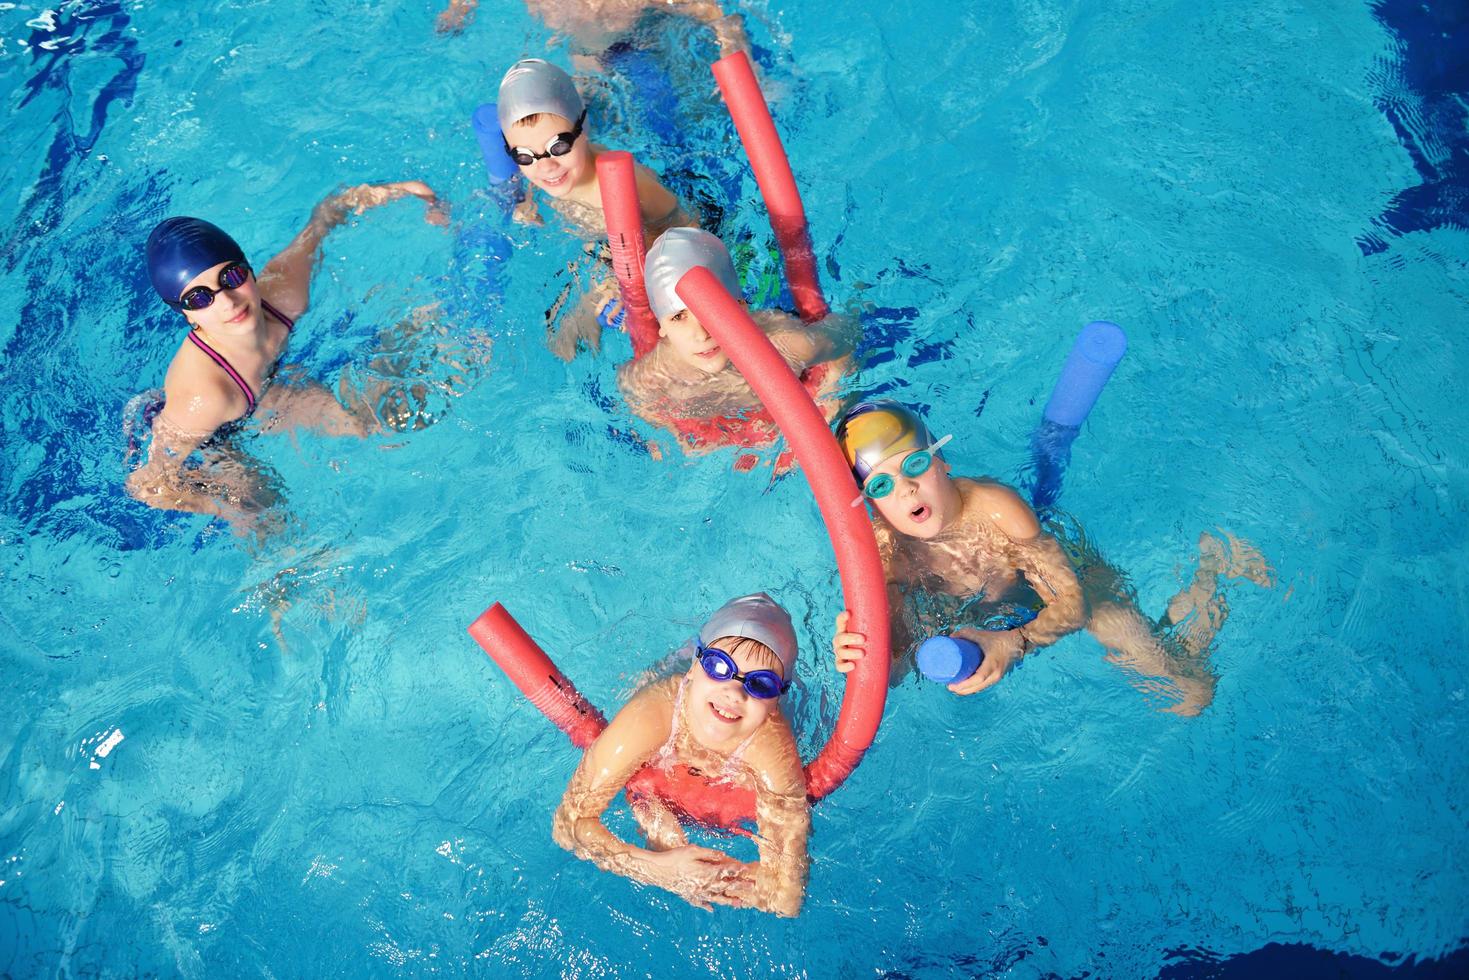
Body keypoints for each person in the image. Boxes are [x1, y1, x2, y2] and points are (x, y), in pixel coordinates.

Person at [828, 400, 1274, 716]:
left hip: (1057, 583)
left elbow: (1072, 604)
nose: (905, 489)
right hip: (979, 608)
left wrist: (1011, 642)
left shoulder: (998, 509)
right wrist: (859, 648)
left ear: (941, 460)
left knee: (1190, 696)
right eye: (881, 486)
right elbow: (894, 666)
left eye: (913, 465)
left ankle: (1211, 577)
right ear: (870, 504)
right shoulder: (884, 548)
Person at [126, 181, 444, 529]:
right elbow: (148, 486)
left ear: (248, 268)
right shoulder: (205, 397)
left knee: (369, 426)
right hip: (215, 436)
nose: (228, 301)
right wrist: (227, 509)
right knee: (271, 519)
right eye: (200, 298)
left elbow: (325, 216)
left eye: (231, 276)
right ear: (186, 315)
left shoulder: (283, 294)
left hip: (269, 385)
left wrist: (414, 192)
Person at [552, 594, 810, 916]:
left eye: (760, 684)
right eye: (718, 666)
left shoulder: (772, 748)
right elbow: (568, 824)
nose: (734, 692)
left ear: (776, 700)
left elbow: (786, 898)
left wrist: (733, 882)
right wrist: (658, 870)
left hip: (711, 777)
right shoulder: (652, 714)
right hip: (657, 764)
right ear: (695, 664)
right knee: (645, 795)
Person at [494, 58, 698, 359]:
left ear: (583, 129)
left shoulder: (622, 184)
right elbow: (538, 171)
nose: (546, 167)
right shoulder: (546, 172)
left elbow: (685, 225)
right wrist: (529, 202)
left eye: (559, 146)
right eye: (524, 157)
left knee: (578, 329)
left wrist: (626, 283)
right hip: (605, 245)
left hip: (651, 242)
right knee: (556, 336)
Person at [616, 227, 853, 465]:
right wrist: (673, 435)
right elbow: (642, 407)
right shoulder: (653, 377)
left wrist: (831, 390)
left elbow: (849, 331)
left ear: (740, 305)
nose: (701, 335)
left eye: (710, 311)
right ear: (662, 327)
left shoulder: (784, 349)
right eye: (678, 317)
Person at [438, 0, 749, 60]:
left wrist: (733, 49)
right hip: (583, 53)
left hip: (651, 43)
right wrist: (459, 10)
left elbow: (715, 13)